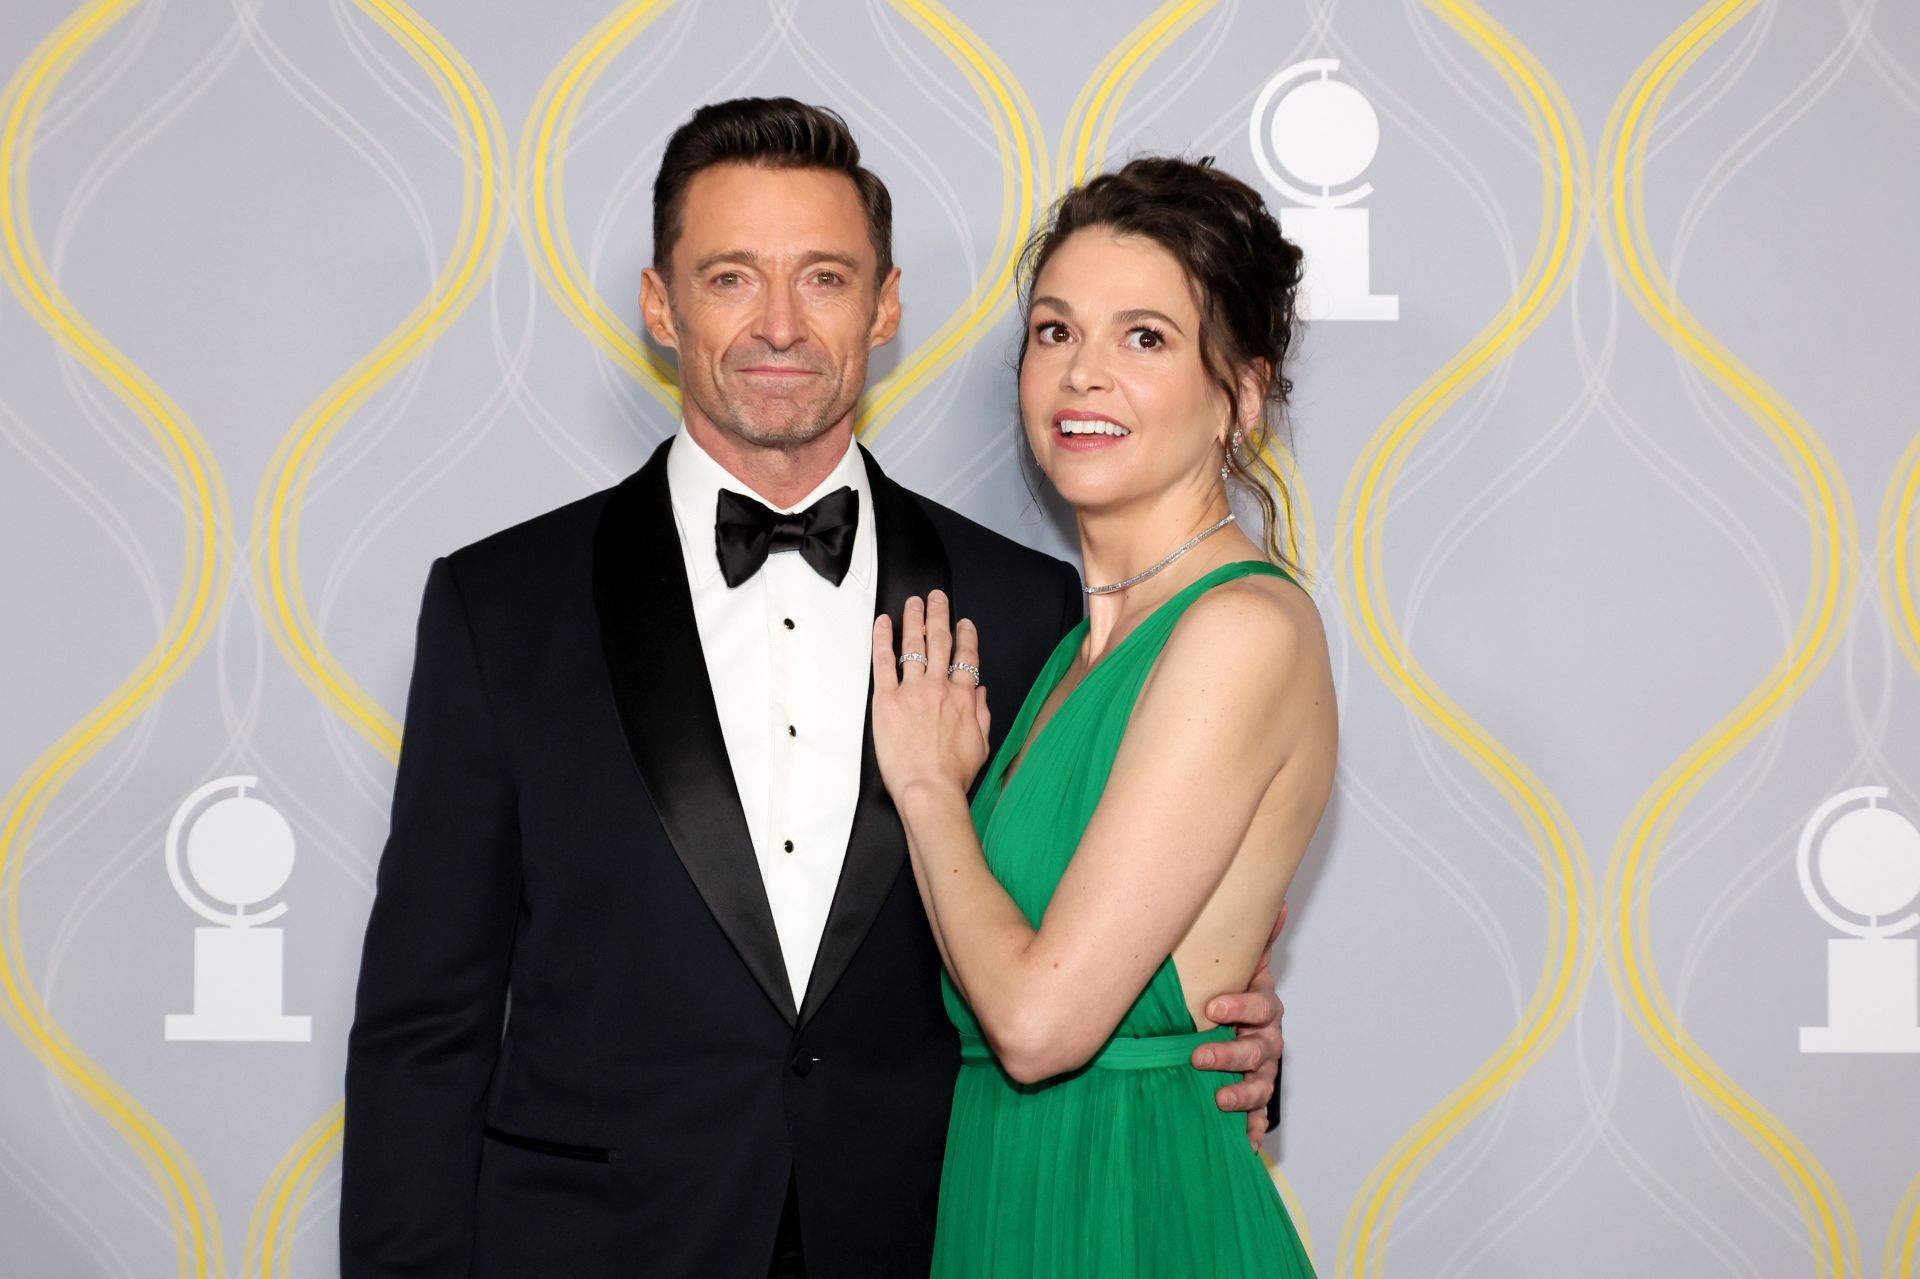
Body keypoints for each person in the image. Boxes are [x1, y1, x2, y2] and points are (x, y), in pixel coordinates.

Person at [339, 99, 1287, 1278]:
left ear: (885, 305)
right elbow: (423, 1028)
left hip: (937, 1234)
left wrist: (1230, 1032)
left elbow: (1114, 934)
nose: (778, 324)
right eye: (731, 276)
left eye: (825, 278)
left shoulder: (1036, 609)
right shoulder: (502, 606)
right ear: (659, 303)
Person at [870, 156, 1335, 1276]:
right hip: (1011, 1201)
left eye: (1145, 338)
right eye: (1055, 331)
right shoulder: (1072, 652)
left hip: (1136, 1214)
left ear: (1241, 393)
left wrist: (931, 790)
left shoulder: (1241, 632)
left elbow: (1039, 1025)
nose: (1083, 376)